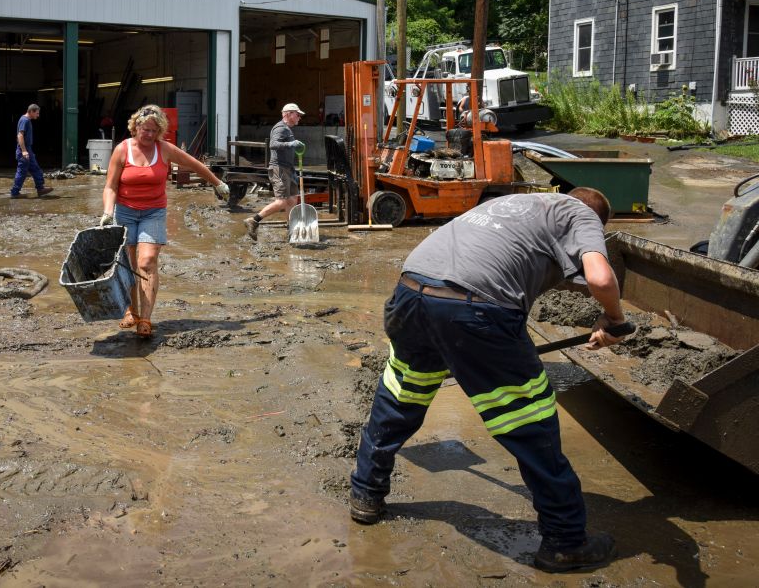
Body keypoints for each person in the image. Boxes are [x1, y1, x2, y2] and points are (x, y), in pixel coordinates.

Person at [350, 188, 630, 574]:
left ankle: (365, 493)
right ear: (596, 220)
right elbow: (599, 277)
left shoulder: (517, 204)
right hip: (474, 309)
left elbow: (511, 261)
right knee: (530, 419)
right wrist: (615, 319)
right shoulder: (581, 215)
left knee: (401, 395)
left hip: (411, 293)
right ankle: (566, 541)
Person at [99, 105, 229, 338]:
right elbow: (111, 186)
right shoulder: (122, 150)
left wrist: (217, 183)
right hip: (125, 211)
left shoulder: (165, 149)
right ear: (135, 126)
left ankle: (145, 319)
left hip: (153, 212)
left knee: (147, 261)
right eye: (144, 129)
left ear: (159, 131)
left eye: (153, 130)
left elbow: (195, 164)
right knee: (128, 265)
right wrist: (108, 212)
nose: (148, 134)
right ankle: (131, 311)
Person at [243, 103, 307, 241]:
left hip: (288, 169)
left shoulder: (288, 129)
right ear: (288, 114)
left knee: (292, 199)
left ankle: (291, 229)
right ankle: (254, 220)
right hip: (279, 168)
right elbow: (273, 144)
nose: (299, 117)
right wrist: (291, 144)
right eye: (297, 114)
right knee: (282, 201)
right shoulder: (280, 128)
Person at [10, 104, 53, 199]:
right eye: (37, 113)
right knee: (22, 172)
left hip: (28, 149)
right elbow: (20, 136)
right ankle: (15, 192)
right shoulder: (24, 120)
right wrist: (24, 151)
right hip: (24, 150)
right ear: (31, 111)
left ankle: (40, 189)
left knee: (36, 169)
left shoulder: (27, 120)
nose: (38, 115)